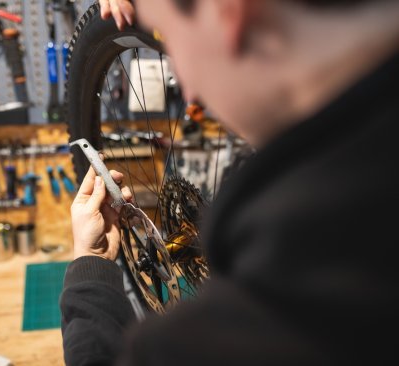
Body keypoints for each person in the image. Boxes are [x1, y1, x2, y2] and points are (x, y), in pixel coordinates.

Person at [60, 0, 399, 364]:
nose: (189, 91)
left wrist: (90, 269)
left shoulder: (261, 319)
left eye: (171, 41)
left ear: (229, 13)